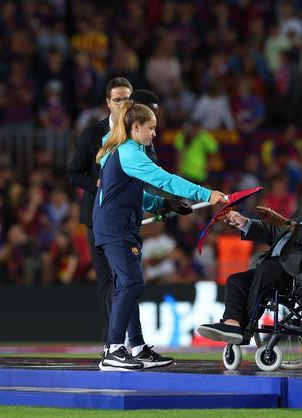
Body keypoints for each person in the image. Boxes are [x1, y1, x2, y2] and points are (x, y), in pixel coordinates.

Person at [93, 101, 226, 371]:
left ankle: (138, 347)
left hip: (116, 227)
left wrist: (163, 205)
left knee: (126, 286)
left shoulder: (119, 152)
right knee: (131, 284)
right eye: (151, 128)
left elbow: (131, 194)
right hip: (116, 228)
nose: (155, 134)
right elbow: (164, 179)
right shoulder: (130, 152)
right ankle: (114, 349)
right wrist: (205, 193)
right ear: (136, 127)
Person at [197, 173, 302, 343]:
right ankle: (232, 324)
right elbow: (277, 234)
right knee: (236, 280)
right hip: (280, 266)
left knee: (266, 270)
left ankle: (244, 330)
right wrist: (245, 222)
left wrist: (290, 225)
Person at [68, 77, 133, 350]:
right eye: (117, 99)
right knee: (108, 280)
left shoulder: (137, 133)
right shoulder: (93, 134)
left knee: (129, 280)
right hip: (97, 218)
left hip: (127, 218)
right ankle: (112, 343)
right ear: (108, 103)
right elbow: (73, 173)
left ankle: (134, 342)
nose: (122, 105)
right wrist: (98, 183)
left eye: (127, 99)